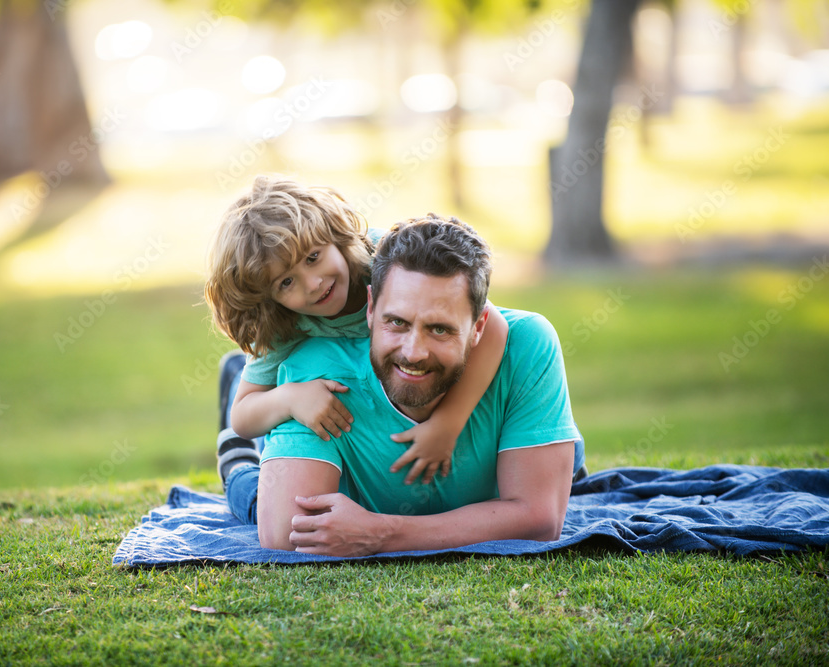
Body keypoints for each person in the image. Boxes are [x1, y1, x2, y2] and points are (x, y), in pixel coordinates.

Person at [244, 215, 585, 556]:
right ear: (370, 309)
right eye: (397, 322)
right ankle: (237, 439)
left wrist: (383, 534)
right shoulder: (316, 377)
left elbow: (540, 521)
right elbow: (284, 535)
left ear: (479, 326)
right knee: (247, 487)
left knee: (569, 464)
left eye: (439, 329)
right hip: (283, 402)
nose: (413, 353)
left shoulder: (526, 344)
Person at [204, 176, 509, 496]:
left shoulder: (390, 262)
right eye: (286, 282)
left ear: (334, 235)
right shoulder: (285, 322)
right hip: (311, 416)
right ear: (269, 297)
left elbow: (495, 327)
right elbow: (243, 416)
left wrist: (448, 423)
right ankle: (238, 444)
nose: (313, 283)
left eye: (313, 258)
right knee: (263, 491)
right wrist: (290, 398)